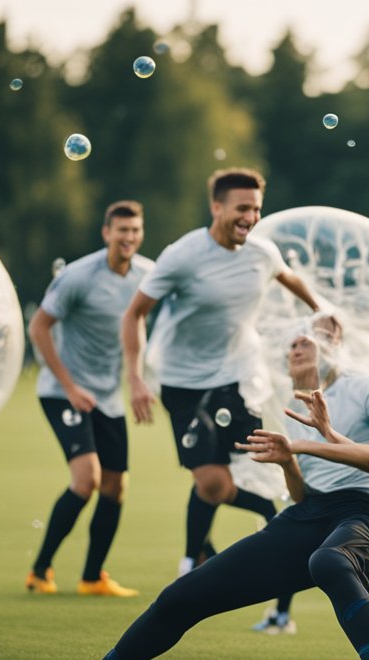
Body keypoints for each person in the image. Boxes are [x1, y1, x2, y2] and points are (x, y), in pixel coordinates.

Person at [52, 315, 369, 660]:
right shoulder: (293, 403)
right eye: (290, 344)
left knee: (328, 560)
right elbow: (301, 497)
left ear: (334, 340)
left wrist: (310, 444)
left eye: (305, 341)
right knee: (184, 595)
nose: (294, 349)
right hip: (310, 514)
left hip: (368, 517)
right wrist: (287, 464)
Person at [121, 169, 320, 593]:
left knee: (256, 464)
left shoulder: (262, 253)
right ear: (217, 207)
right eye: (242, 208)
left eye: (256, 209)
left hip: (236, 377)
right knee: (213, 483)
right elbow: (134, 313)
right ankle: (254, 521)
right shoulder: (182, 256)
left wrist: (322, 311)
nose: (250, 217)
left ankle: (199, 557)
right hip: (182, 381)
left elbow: (289, 277)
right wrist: (135, 378)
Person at [25, 200, 153, 597]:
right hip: (63, 392)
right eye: (121, 231)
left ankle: (92, 577)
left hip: (106, 396)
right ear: (106, 233)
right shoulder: (79, 275)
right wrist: (68, 386)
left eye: (135, 230)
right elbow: (38, 327)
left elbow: (138, 326)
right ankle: (40, 570)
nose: (128, 238)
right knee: (87, 479)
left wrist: (135, 379)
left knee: (116, 486)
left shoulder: (148, 275)